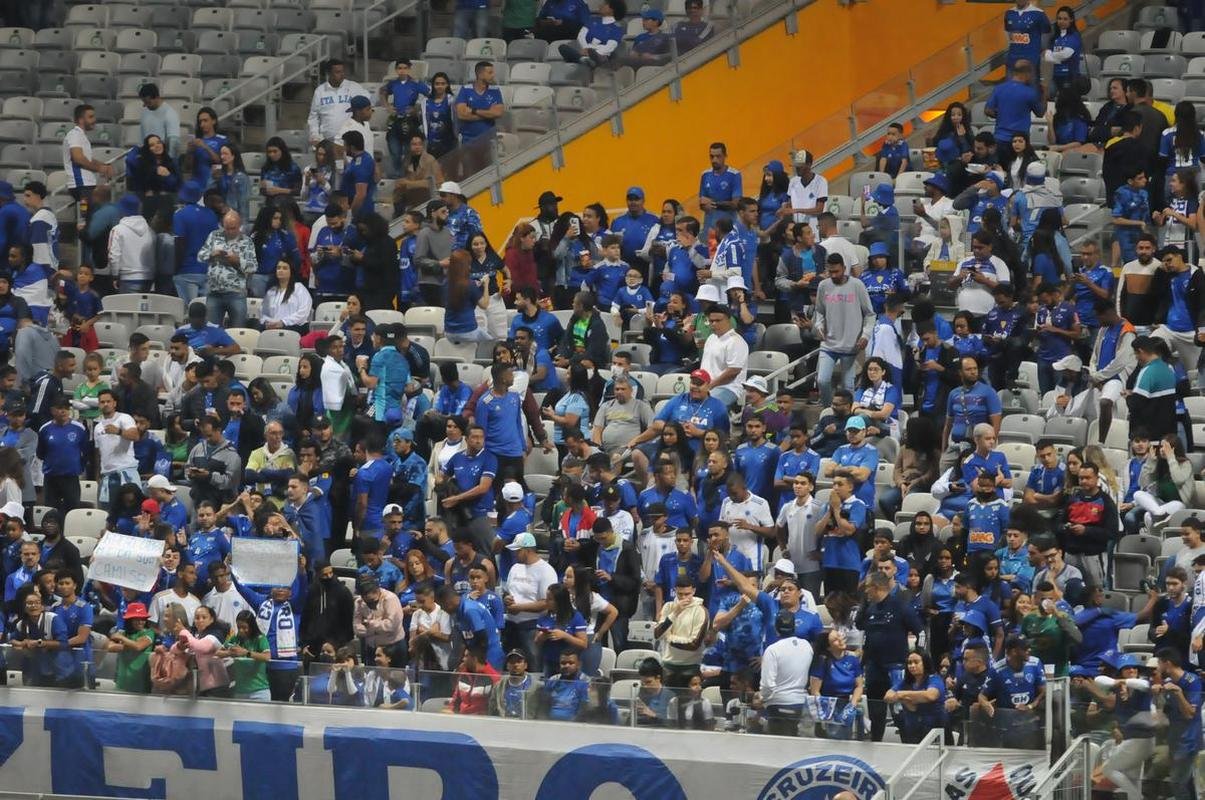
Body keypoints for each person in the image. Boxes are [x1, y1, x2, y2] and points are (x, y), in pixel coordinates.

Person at [813, 254, 874, 408]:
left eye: (837, 272)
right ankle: (828, 410)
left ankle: (848, 416)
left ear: (844, 269)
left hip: (851, 345)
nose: (834, 275)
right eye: (831, 272)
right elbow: (819, 310)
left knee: (848, 386)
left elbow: (870, 314)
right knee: (822, 380)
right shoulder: (824, 286)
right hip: (829, 344)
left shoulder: (857, 285)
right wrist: (819, 326)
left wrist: (866, 334)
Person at [1152, 647, 1202, 800]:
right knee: (1184, 783)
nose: (1157, 667)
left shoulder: (1192, 681)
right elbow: (1163, 710)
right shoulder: (1167, 682)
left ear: (1167, 663)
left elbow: (1189, 714)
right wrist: (1157, 695)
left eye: (1159, 663)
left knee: (1178, 782)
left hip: (1189, 740)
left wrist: (1179, 693)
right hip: (1174, 738)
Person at [759, 609, 814, 736]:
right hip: (801, 704)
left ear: (776, 627)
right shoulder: (807, 646)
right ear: (794, 626)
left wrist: (764, 699)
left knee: (778, 751)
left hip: (777, 704)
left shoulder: (772, 650)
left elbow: (767, 685)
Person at [984, 60, 1045, 165]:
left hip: (999, 138)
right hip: (1019, 141)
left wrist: (1001, 115)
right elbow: (1040, 113)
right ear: (1027, 73)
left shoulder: (999, 88)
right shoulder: (1029, 93)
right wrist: (1045, 93)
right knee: (1022, 171)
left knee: (1000, 171)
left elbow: (987, 110)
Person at [308, 59, 370, 147]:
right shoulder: (320, 91)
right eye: (338, 72)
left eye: (343, 71)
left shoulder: (354, 87)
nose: (342, 75)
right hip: (327, 141)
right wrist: (314, 136)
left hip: (350, 141)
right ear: (329, 73)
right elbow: (314, 117)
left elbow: (368, 104)